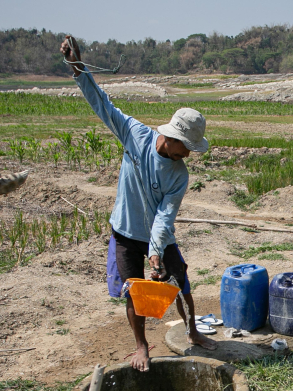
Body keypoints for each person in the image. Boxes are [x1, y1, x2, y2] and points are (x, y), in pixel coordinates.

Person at [60, 36, 217, 372]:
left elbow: (165, 216)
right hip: (126, 232)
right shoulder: (135, 135)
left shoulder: (179, 174)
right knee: (135, 292)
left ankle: (191, 332)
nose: (188, 154)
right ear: (172, 137)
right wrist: (77, 67)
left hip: (158, 237)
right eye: (186, 147)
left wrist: (157, 251)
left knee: (179, 281)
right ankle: (141, 345)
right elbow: (102, 104)